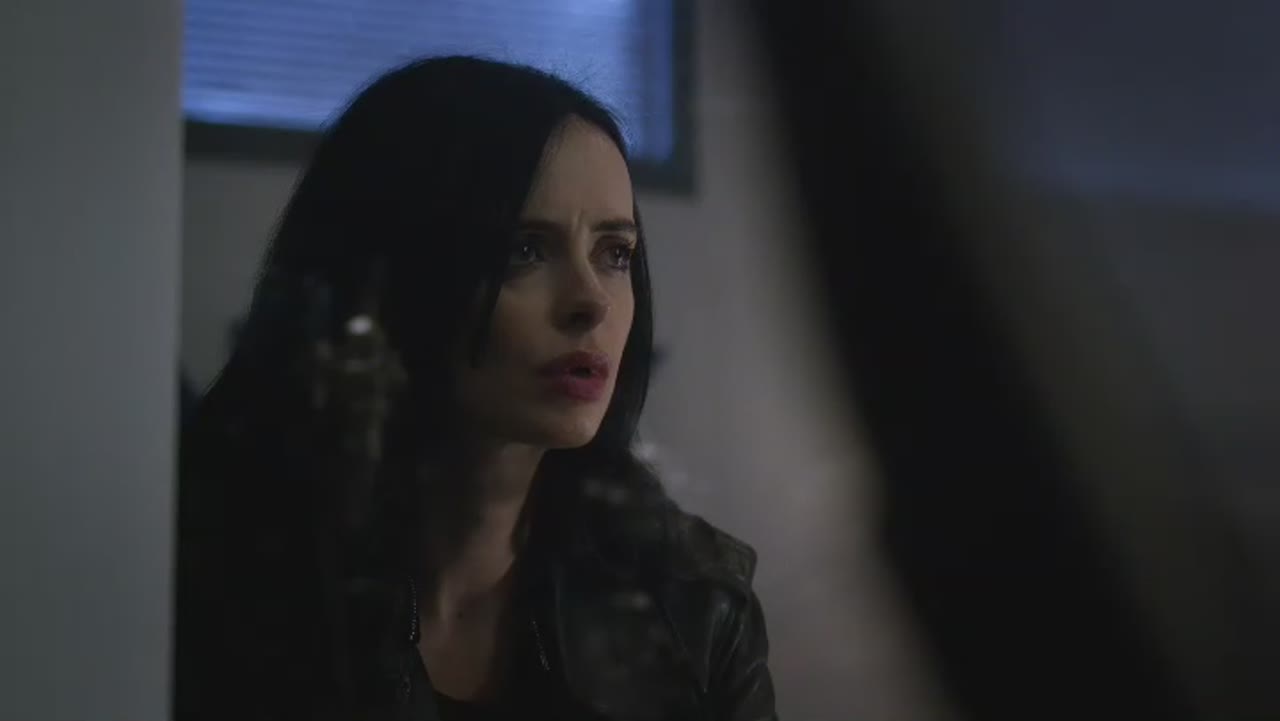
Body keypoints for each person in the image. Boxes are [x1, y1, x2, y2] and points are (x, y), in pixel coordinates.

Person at [174, 56, 777, 721]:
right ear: (393, 276)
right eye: (525, 249)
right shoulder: (212, 577)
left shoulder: (692, 602)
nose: (592, 302)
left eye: (615, 253)